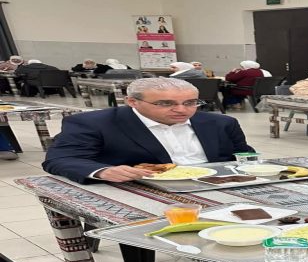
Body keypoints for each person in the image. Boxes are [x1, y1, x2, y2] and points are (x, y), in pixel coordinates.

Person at [43, 78, 254, 184]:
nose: (182, 110)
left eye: (190, 102)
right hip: (146, 187)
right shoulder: (94, 123)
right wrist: (103, 171)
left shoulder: (221, 123)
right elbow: (60, 159)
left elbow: (245, 156)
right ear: (132, 102)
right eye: (165, 103)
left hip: (216, 184)